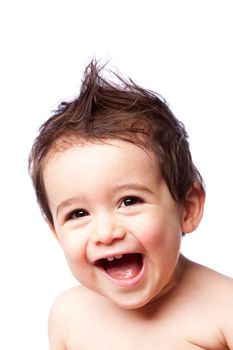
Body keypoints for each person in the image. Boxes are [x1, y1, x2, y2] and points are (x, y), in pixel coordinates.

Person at [29, 60, 233, 349]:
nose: (106, 232)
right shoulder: (69, 316)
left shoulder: (223, 310)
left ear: (187, 208)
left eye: (129, 201)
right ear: (56, 232)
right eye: (78, 213)